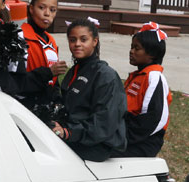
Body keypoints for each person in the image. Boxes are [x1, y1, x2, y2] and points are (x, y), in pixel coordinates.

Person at [52, 18, 127, 162]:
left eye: (83, 39)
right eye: (72, 40)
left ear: (95, 41)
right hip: (74, 137)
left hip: (95, 146)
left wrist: (68, 133)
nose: (77, 44)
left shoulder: (106, 75)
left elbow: (104, 122)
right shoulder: (74, 71)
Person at [116, 22, 172, 157]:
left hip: (143, 141)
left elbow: (154, 118)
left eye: (137, 48)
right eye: (131, 47)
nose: (131, 51)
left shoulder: (154, 77)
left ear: (151, 54)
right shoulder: (138, 75)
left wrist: (124, 137)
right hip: (127, 132)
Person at [19, 0, 68, 112]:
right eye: (42, 8)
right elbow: (16, 81)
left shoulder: (51, 40)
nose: (47, 14)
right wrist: (49, 72)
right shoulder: (20, 35)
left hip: (45, 106)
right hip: (24, 105)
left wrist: (57, 99)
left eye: (53, 10)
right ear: (31, 9)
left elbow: (54, 80)